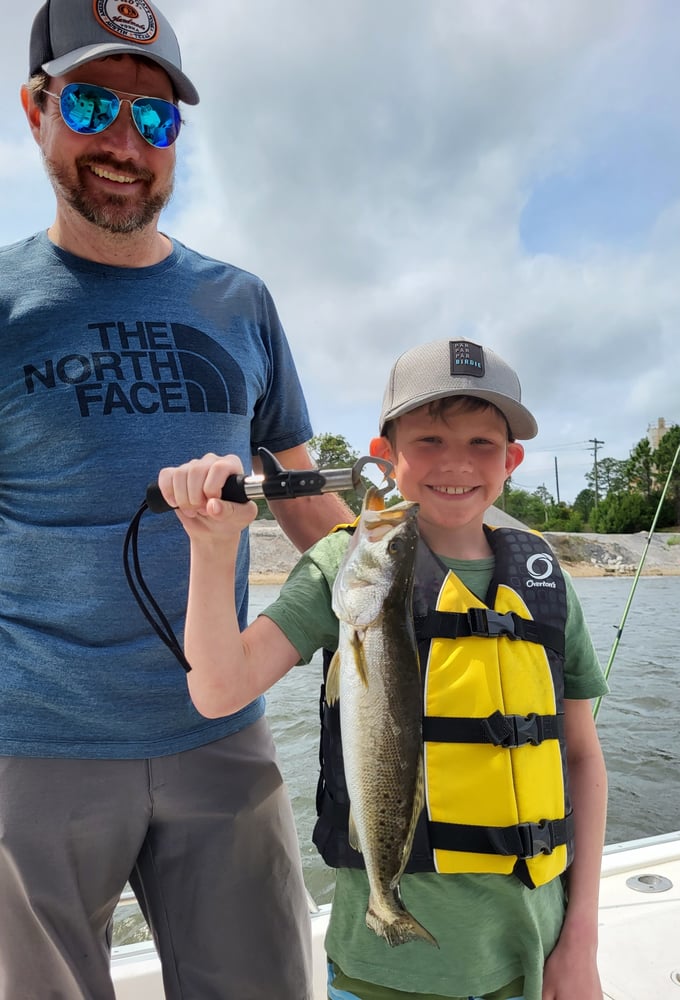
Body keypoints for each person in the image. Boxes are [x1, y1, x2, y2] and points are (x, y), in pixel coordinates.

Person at [0, 1, 352, 997]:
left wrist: (418, 590)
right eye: (94, 103)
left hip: (220, 726)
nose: (124, 141)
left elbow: (306, 504)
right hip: (35, 747)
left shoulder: (241, 304)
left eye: (154, 119)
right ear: (37, 110)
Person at [159, 338, 610, 1000]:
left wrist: (582, 940)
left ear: (512, 459)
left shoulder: (542, 578)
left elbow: (582, 760)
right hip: (383, 975)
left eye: (482, 444)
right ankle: (385, 899)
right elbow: (219, 690)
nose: (456, 463)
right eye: (428, 439)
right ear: (384, 457)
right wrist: (213, 544)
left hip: (534, 956)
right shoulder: (348, 563)